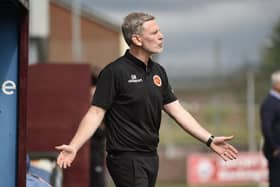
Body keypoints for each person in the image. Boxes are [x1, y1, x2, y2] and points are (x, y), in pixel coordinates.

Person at [55, 12, 238, 187]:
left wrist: (209, 139)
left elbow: (178, 111)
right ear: (137, 39)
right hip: (126, 158)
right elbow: (95, 112)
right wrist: (74, 146)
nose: (161, 36)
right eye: (154, 32)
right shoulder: (114, 72)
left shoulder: (158, 72)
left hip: (151, 157)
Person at [260, 70, 280, 187]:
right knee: (277, 181)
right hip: (276, 150)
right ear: (277, 84)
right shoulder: (269, 103)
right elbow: (267, 128)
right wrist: (275, 147)